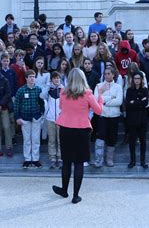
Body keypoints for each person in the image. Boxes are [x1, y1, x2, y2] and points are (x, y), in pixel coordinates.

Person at [52, 68, 105, 204]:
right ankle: (75, 195)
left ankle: (64, 190)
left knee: (67, 161)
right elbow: (98, 111)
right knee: (79, 162)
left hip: (65, 128)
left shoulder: (63, 92)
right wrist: (101, 96)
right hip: (81, 129)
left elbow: (62, 107)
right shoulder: (87, 93)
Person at [14, 70, 45, 168]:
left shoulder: (39, 89)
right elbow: (16, 105)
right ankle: (27, 159)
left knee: (36, 139)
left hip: (36, 117)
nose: (32, 78)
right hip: (25, 118)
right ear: (26, 78)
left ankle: (35, 159)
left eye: (33, 76)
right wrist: (17, 117)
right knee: (27, 140)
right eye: (30, 77)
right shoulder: (21, 90)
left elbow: (42, 103)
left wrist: (42, 114)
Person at [93, 68, 123, 168]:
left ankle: (109, 159)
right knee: (100, 136)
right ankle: (98, 159)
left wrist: (104, 101)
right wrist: (111, 98)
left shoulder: (118, 87)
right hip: (102, 115)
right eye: (105, 74)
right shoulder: (99, 86)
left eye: (109, 74)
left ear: (113, 75)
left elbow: (119, 101)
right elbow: (96, 100)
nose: (107, 75)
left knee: (112, 137)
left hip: (114, 116)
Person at [125, 71, 149, 169]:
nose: (137, 80)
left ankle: (143, 161)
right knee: (132, 141)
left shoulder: (145, 90)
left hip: (142, 119)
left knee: (143, 141)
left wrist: (134, 102)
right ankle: (132, 161)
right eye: (135, 78)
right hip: (132, 119)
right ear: (132, 79)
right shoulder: (129, 90)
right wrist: (139, 101)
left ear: (141, 79)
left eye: (139, 78)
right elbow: (127, 104)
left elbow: (146, 103)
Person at [40, 71, 63, 169]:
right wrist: (48, 87)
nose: (56, 80)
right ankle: (53, 158)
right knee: (52, 140)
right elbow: (41, 96)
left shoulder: (64, 89)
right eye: (54, 78)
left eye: (58, 78)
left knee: (60, 140)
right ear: (52, 79)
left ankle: (61, 158)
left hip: (61, 119)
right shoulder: (48, 89)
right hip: (50, 118)